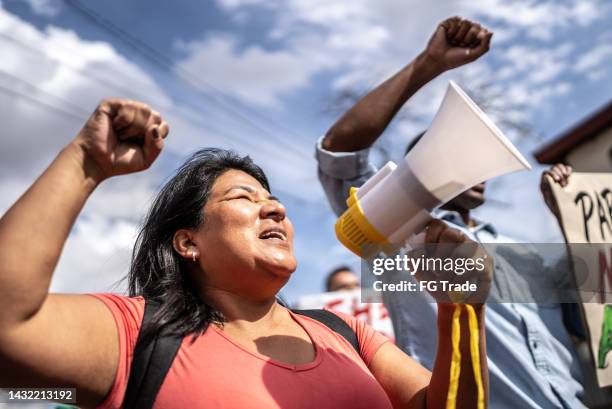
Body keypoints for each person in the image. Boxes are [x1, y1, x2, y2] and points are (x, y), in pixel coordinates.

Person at [0, 98, 492, 408]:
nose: (274, 208)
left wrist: (462, 310)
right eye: (243, 198)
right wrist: (86, 162)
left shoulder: (345, 334)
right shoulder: (135, 335)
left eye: (272, 199)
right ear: (187, 241)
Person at [316, 16, 586, 408]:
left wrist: (572, 221)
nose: (478, 169)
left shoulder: (522, 252)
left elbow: (591, 325)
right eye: (459, 154)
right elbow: (339, 153)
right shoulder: (399, 233)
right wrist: (429, 64)